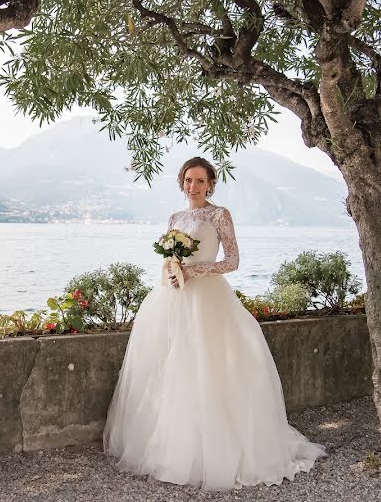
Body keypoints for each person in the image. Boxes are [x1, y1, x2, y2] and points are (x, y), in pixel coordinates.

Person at [103, 156, 326, 490]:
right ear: (182, 183)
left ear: (210, 184)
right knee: (170, 367)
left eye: (200, 181)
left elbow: (233, 261)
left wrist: (196, 270)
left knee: (209, 368)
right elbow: (169, 258)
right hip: (174, 297)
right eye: (188, 180)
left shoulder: (219, 215)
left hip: (208, 299)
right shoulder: (175, 217)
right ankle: (172, 446)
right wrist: (173, 271)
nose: (193, 187)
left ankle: (216, 449)